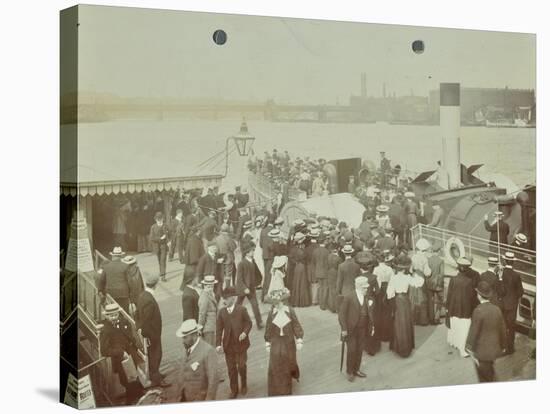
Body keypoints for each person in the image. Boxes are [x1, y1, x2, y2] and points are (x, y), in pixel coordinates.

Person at [100, 303, 143, 404]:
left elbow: (130, 336)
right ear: (106, 316)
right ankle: (131, 398)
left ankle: (138, 393)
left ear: (118, 313)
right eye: (111, 316)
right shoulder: (106, 330)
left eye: (115, 314)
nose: (114, 317)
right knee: (125, 380)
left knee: (134, 374)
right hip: (119, 358)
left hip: (131, 353)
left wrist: (134, 347)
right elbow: (104, 351)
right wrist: (120, 352)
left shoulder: (124, 321)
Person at [264, 288, 304, 396]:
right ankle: (274, 389)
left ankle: (286, 390)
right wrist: (267, 341)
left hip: (288, 341)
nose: (276, 305)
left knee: (287, 364)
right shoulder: (271, 313)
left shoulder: (290, 310)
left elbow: (296, 325)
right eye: (274, 304)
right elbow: (268, 327)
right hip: (276, 341)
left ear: (282, 301)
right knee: (275, 363)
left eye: (278, 303)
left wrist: (299, 339)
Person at [465, 281, 507, 383]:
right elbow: (502, 329)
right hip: (494, 349)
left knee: (484, 377)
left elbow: (474, 332)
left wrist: (468, 347)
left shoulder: (478, 311)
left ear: (479, 295)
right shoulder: (497, 309)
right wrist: (504, 345)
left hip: (482, 352)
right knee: (490, 370)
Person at [216, 287, 252, 398]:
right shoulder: (222, 312)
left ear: (233, 299)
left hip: (241, 345)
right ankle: (234, 390)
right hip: (228, 346)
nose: (224, 301)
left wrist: (245, 333)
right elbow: (218, 329)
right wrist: (218, 344)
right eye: (223, 299)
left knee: (241, 366)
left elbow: (248, 323)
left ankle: (244, 384)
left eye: (226, 298)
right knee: (231, 369)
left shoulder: (241, 310)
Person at [135, 272, 170, 388]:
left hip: (150, 333)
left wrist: (138, 327)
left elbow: (137, 314)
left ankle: (156, 374)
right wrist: (146, 334)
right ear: (155, 285)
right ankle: (156, 380)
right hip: (152, 334)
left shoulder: (142, 295)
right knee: (156, 355)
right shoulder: (149, 299)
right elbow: (146, 320)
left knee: (154, 355)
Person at [386, 254, 423, 357]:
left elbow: (389, 293)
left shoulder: (393, 278)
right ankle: (407, 347)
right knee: (406, 322)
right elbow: (419, 283)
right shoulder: (408, 277)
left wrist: (391, 303)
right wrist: (414, 273)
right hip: (406, 301)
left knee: (398, 323)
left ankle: (398, 346)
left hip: (397, 300)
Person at [176, 319, 219, 402]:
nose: (183, 341)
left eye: (185, 337)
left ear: (194, 335)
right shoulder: (187, 348)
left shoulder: (208, 351)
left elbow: (213, 380)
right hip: (184, 397)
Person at [339, 276, 370, 381]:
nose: (367, 289)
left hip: (362, 328)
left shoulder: (366, 296)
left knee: (360, 349)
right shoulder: (349, 297)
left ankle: (356, 369)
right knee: (352, 350)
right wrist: (344, 329)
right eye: (365, 288)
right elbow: (341, 314)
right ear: (360, 287)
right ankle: (349, 371)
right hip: (351, 329)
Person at [446, 257, 477, 357]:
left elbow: (449, 295)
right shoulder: (469, 282)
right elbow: (472, 297)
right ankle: (462, 350)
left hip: (453, 308)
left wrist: (447, 307)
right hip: (465, 309)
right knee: (464, 329)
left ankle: (454, 343)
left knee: (455, 326)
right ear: (467, 268)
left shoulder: (453, 279)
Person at [500, 252, 524, 354]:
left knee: (502, 326)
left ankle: (501, 346)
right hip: (512, 305)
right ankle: (510, 348)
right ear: (513, 262)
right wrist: (514, 298)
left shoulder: (500, 273)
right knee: (511, 326)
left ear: (505, 261)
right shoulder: (516, 275)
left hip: (502, 303)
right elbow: (520, 292)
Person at [235, 243, 264, 329]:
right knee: (238, 305)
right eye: (252, 251)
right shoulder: (241, 264)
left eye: (253, 250)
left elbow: (257, 273)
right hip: (242, 289)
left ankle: (259, 323)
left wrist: (257, 282)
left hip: (251, 288)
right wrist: (244, 288)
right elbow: (239, 279)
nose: (253, 252)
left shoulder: (253, 261)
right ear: (247, 253)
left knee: (255, 305)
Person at [98, 246, 132, 313]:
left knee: (113, 312)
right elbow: (130, 281)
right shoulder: (126, 266)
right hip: (123, 293)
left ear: (112, 256)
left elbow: (101, 281)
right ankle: (124, 323)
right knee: (124, 312)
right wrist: (131, 295)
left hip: (111, 294)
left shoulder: (106, 267)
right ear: (121, 256)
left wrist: (100, 291)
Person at [373, 251, 395, 342]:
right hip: (388, 289)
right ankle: (387, 334)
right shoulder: (390, 269)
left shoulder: (376, 269)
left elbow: (375, 281)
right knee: (387, 312)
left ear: (378, 260)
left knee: (379, 312)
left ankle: (380, 334)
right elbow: (392, 280)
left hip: (379, 290)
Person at [410, 238, 432, 326]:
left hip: (414, 278)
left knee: (414, 300)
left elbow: (410, 270)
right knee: (422, 300)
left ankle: (414, 319)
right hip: (421, 279)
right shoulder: (424, 259)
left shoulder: (413, 257)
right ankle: (423, 320)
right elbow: (427, 273)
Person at [288, 232, 311, 307]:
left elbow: (290, 258)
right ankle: (302, 301)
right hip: (301, 266)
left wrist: (295, 262)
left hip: (297, 266)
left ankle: (296, 300)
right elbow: (305, 257)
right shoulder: (301, 249)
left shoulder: (293, 248)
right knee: (302, 283)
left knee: (297, 283)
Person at [426, 241, 445, 325]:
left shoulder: (428, 260)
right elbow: (442, 274)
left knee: (431, 301)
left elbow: (427, 272)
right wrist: (440, 284)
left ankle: (431, 319)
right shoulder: (440, 261)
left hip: (429, 284)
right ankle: (436, 318)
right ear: (438, 251)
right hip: (438, 285)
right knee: (440, 301)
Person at [198, 275, 219, 347]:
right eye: (208, 286)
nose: (211, 288)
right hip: (208, 327)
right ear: (204, 286)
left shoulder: (209, 294)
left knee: (211, 346)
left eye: (212, 286)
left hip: (211, 325)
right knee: (209, 347)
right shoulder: (204, 297)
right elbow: (202, 314)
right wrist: (200, 327)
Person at [149, 212, 170, 282]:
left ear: (163, 219)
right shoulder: (153, 227)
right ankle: (161, 272)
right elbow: (151, 238)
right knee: (159, 260)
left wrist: (169, 241)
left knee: (163, 260)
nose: (160, 221)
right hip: (156, 247)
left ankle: (163, 276)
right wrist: (160, 238)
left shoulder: (165, 226)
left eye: (161, 219)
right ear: (155, 220)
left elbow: (170, 234)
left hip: (163, 246)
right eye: (158, 219)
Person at [312, 234, 330, 310]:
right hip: (325, 272)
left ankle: (320, 303)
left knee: (320, 287)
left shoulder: (315, 251)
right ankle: (323, 305)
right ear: (324, 241)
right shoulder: (327, 251)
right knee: (325, 288)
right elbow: (328, 263)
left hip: (318, 271)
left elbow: (313, 262)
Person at [327, 243, 342, 313]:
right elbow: (340, 268)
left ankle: (331, 306)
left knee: (330, 290)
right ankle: (336, 307)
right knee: (336, 291)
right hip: (336, 274)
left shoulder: (329, 256)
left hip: (329, 273)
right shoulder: (339, 259)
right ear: (338, 249)